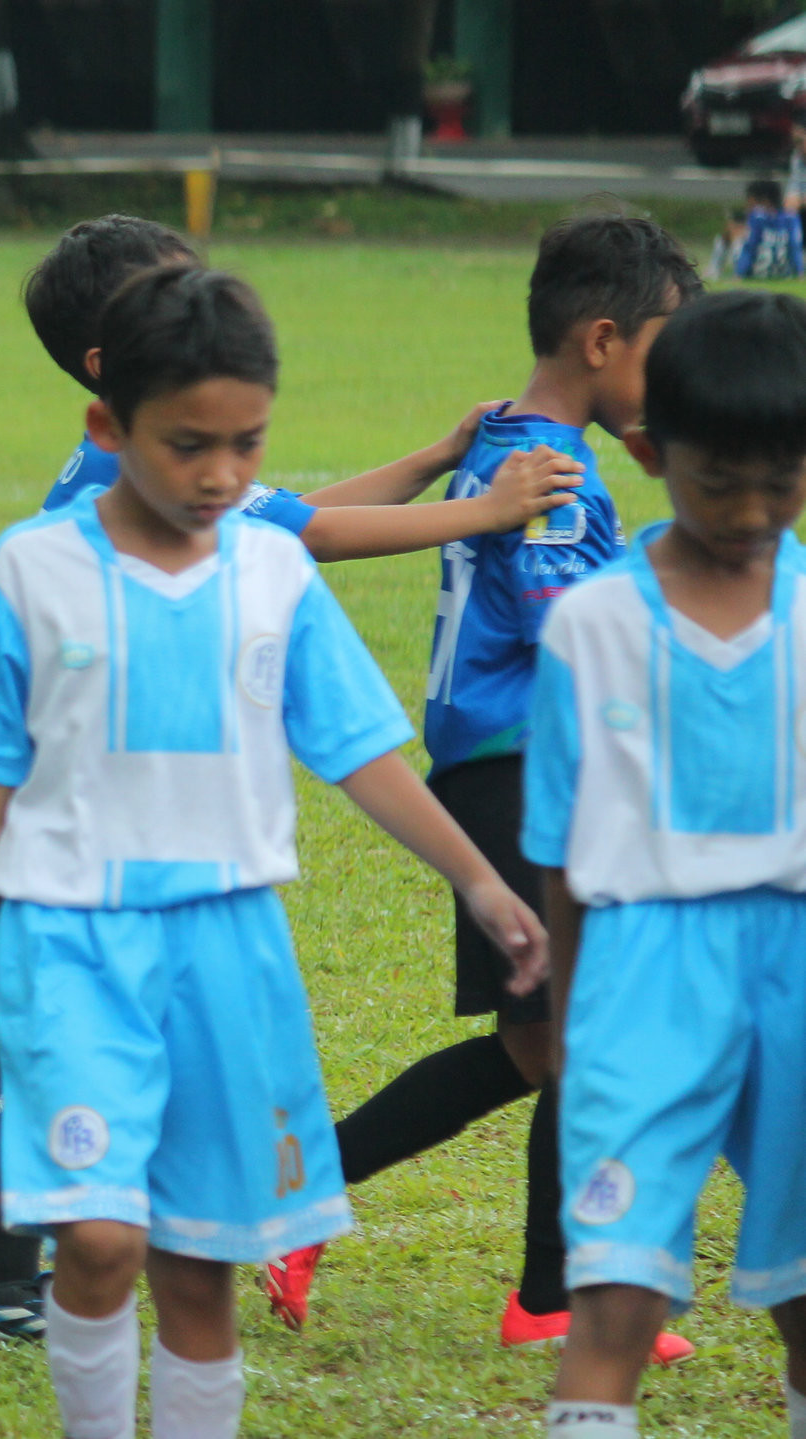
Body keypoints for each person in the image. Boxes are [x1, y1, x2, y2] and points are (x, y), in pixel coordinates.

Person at [0, 212, 582, 1346]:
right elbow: (310, 534)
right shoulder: (77, 523)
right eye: (170, 298)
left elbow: (282, 527)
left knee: (33, 1066)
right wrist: (486, 505)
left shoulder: (189, 479)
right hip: (26, 811)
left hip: (113, 843)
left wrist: (434, 462)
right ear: (110, 384)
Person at [264, 213, 705, 1353]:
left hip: (514, 767)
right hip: (524, 771)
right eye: (666, 348)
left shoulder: (520, 442)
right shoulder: (544, 469)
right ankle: (535, 1289)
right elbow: (577, 634)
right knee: (566, 1036)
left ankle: (484, 1275)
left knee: (541, 1043)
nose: (677, 379)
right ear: (603, 340)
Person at [529, 288, 806, 1439]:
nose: (746, 510)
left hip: (794, 958)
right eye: (715, 479)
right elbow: (558, 846)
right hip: (642, 970)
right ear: (646, 452)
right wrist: (564, 1012)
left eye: (779, 481)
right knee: (616, 1297)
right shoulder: (588, 624)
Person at [735, 178, 804, 281]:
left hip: (759, 274)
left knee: (738, 243)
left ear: (762, 199)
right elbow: (795, 247)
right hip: (785, 274)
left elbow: (750, 247)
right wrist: (800, 273)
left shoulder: (757, 217)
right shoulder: (791, 217)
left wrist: (739, 274)